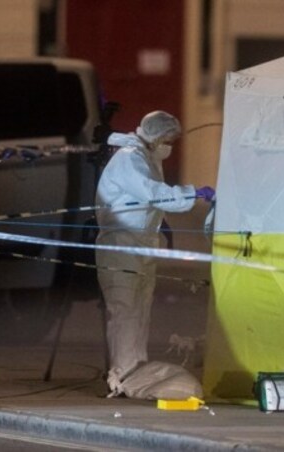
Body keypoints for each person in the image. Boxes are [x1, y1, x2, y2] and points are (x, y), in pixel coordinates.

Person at [95, 110, 214, 396]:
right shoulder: (129, 159)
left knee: (140, 309)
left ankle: (135, 367)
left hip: (141, 245)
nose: (169, 146)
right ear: (156, 136)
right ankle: (122, 372)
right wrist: (193, 193)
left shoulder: (147, 157)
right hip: (121, 245)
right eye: (168, 139)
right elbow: (153, 193)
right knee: (124, 309)